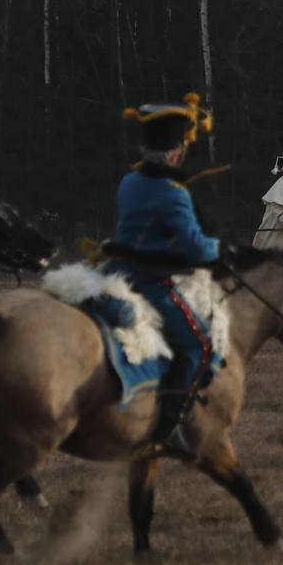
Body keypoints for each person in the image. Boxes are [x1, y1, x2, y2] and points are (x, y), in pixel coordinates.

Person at [104, 93, 223, 453]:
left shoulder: (129, 181)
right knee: (199, 345)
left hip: (114, 273)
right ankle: (166, 429)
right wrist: (222, 249)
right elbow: (196, 247)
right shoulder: (173, 193)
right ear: (176, 151)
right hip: (148, 281)